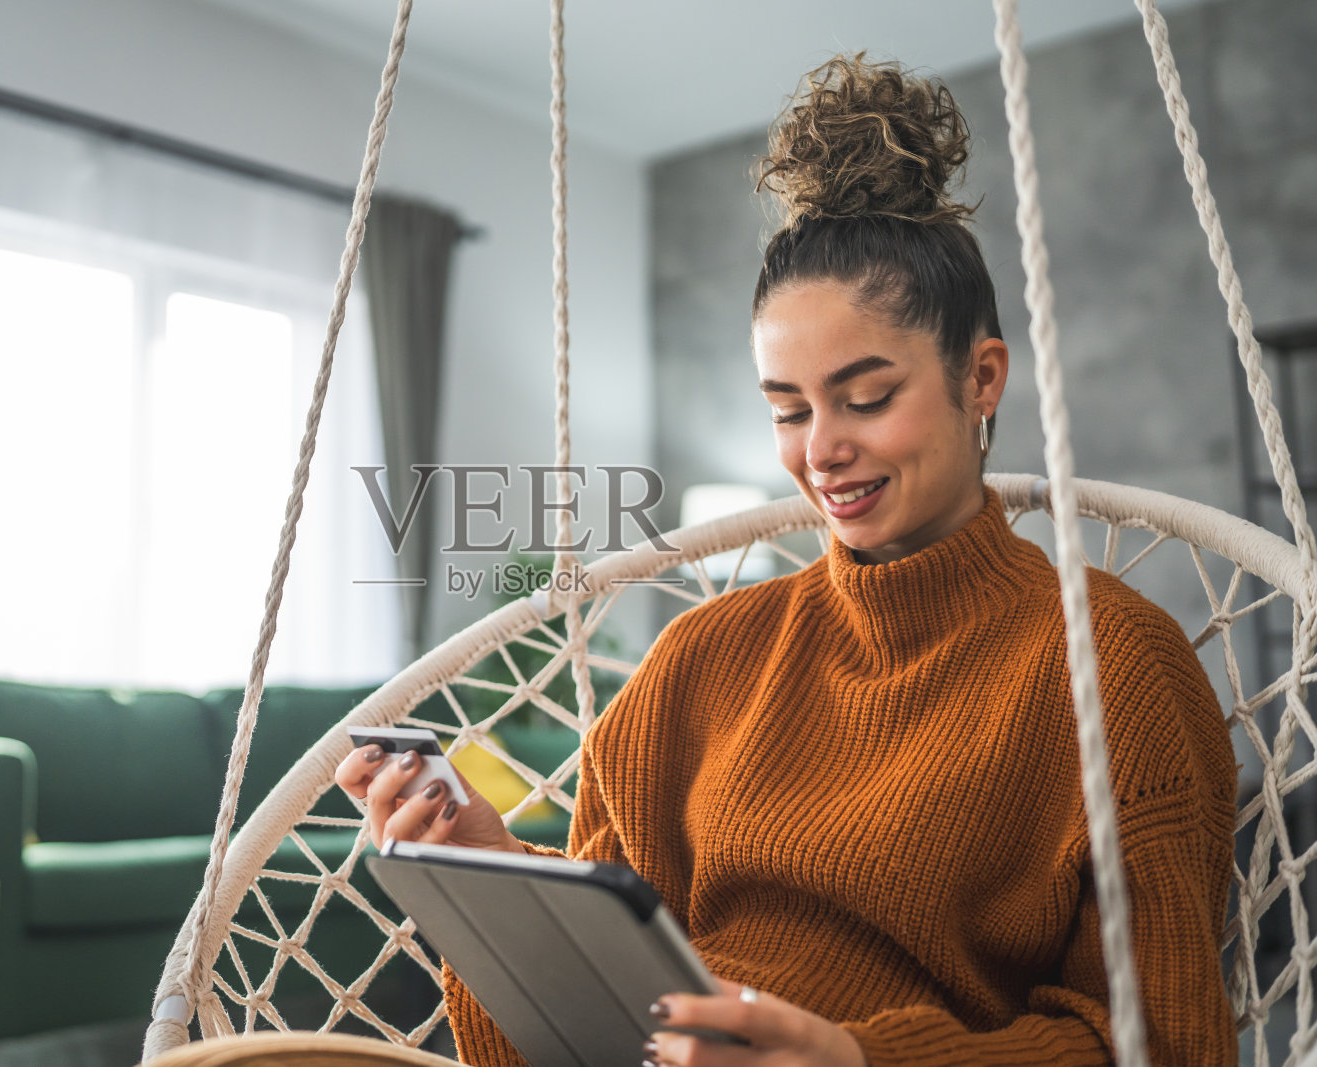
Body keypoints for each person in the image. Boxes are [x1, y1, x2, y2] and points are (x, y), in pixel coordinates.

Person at [334, 53, 1237, 1067]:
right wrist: (487, 872)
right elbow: (558, 1043)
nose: (821, 450)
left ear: (979, 377)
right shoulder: (697, 659)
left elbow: (1165, 1046)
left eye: (865, 396)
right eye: (789, 408)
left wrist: (858, 1061)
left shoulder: (1115, 667)